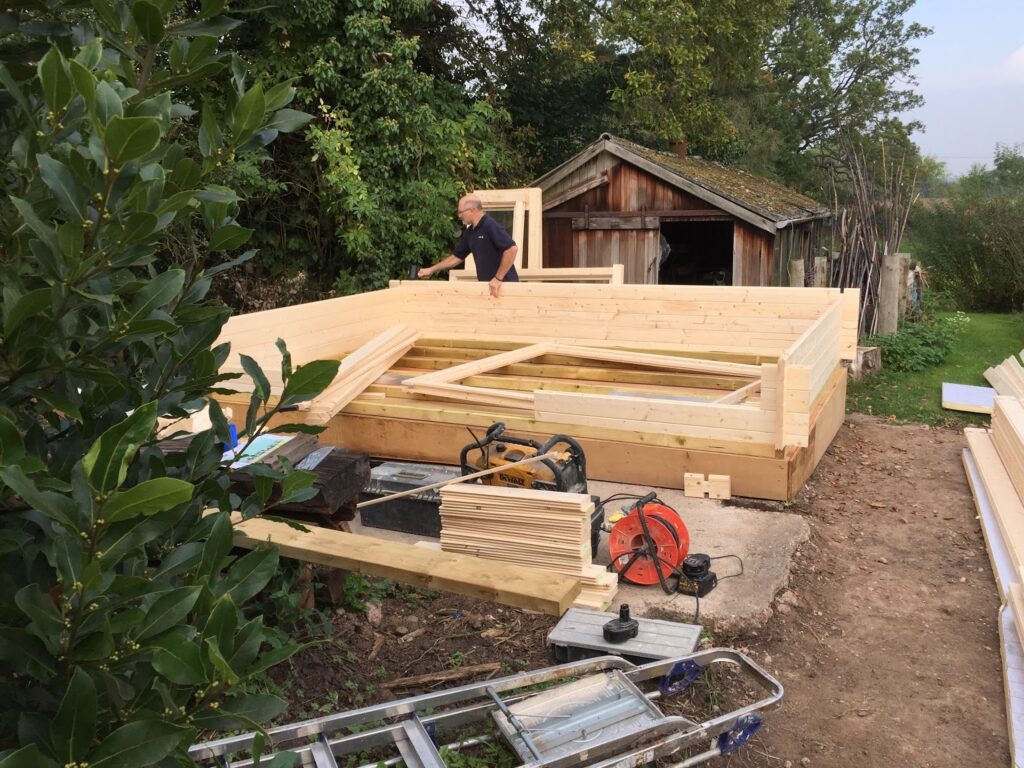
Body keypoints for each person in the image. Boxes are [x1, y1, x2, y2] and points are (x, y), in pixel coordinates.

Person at [417, 194, 518, 297]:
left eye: (461, 212)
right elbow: (456, 257)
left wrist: (498, 278)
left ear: (472, 210)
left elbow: (511, 249)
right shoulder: (470, 232)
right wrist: (431, 270)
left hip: (505, 286)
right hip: (489, 288)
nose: (459, 216)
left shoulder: (489, 225)